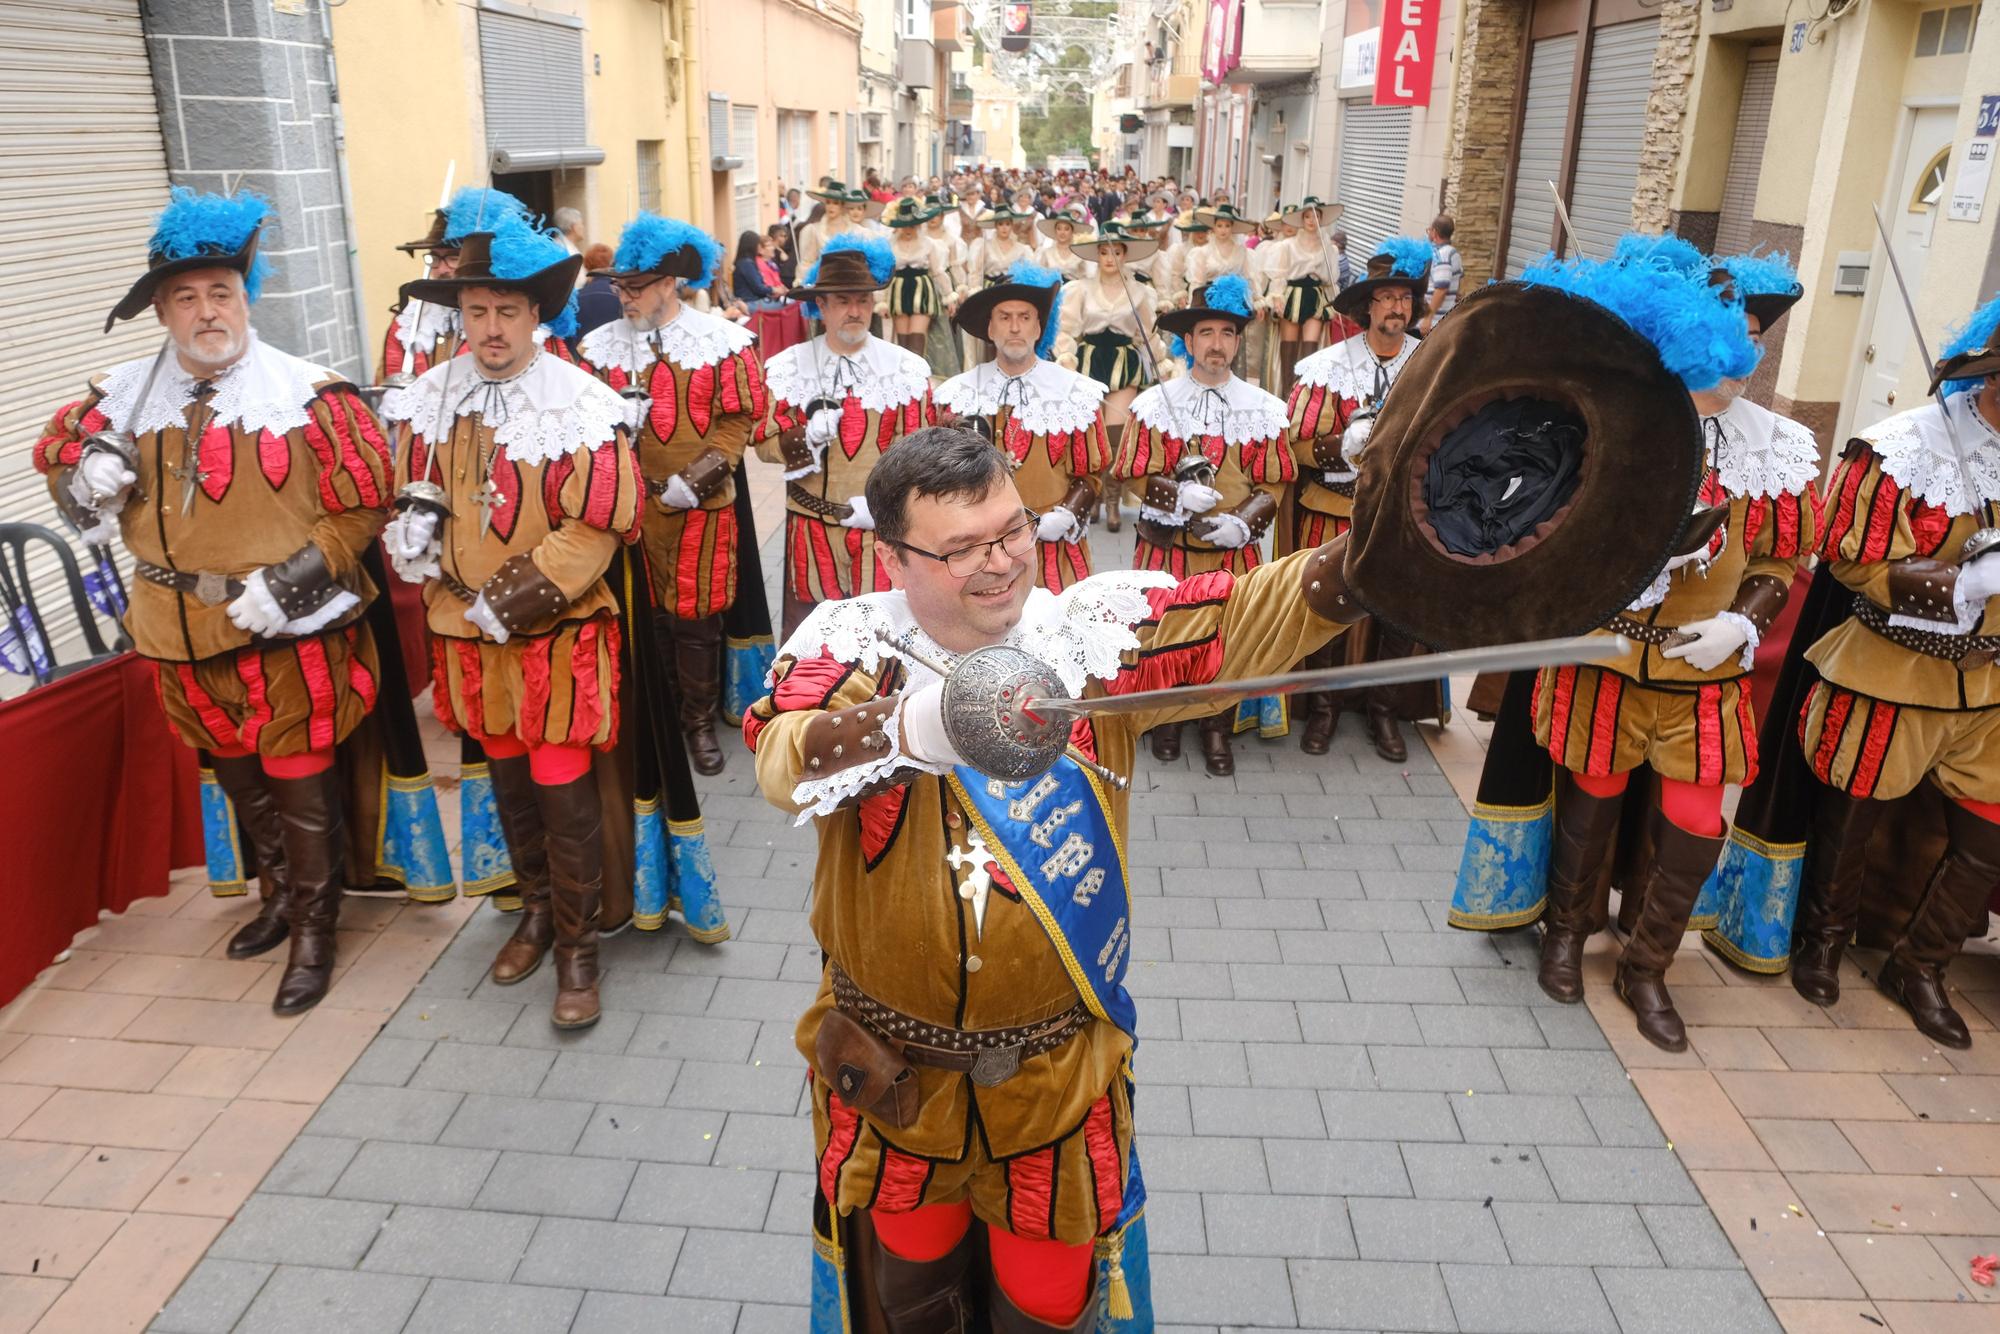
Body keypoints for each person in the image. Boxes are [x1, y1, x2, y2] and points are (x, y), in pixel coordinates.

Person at [744, 425, 1365, 1332]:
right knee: (910, 1302)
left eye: (1011, 531)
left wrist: (1380, 555)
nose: (998, 565)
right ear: (892, 555)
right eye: (960, 548)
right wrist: (923, 724)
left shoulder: (1086, 640)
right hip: (890, 1075)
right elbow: (781, 756)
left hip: (1054, 1078)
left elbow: (1245, 616)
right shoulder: (848, 647)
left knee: (1047, 1308)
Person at [38, 189, 408, 1015]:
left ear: (247, 297)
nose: (207, 313)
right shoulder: (124, 394)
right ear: (163, 310)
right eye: (186, 298)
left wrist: (289, 585)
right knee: (237, 771)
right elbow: (54, 451)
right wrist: (81, 473)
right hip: (175, 626)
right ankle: (278, 893)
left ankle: (317, 926)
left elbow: (364, 506)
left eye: (221, 294)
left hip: (287, 625)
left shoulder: (310, 395)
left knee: (298, 772)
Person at [1448, 237, 1818, 1054]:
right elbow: (1558, 530)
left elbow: (1778, 558)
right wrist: (1630, 572)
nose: (1743, 357)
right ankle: (1565, 935)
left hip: (1708, 667)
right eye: (1728, 340)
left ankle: (1650, 966)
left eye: (1752, 340)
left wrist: (1746, 617)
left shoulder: (1778, 447)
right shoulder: (1622, 425)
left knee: (1694, 819)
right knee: (1592, 797)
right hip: (1609, 657)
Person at [1701, 287, 2000, 1048]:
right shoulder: (1903, 445)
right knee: (1849, 813)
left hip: (1991, 685)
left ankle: (1921, 965)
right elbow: (1852, 556)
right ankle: (1823, 941)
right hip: (1889, 671)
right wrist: (1962, 581)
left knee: (1986, 839)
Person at [379, 216, 646, 1027]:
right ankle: (533, 911)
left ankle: (578, 950)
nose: (490, 329)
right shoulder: (432, 396)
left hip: (554, 636)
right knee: (506, 782)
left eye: (507, 311)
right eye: (477, 311)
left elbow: (598, 523)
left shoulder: (584, 403)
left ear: (538, 316)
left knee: (562, 791)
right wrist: (412, 534)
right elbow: (413, 485)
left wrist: (515, 596)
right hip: (464, 633)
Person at [579, 213, 766, 775]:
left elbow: (740, 419)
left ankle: (698, 721)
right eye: (619, 285)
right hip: (629, 511)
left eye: (634, 286)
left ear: (668, 283)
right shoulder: (596, 349)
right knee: (646, 615)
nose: (624, 296)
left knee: (696, 619)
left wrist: (698, 478)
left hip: (699, 508)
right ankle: (660, 713)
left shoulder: (722, 342)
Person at [1114, 276, 1291, 777]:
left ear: (1239, 340)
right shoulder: (1154, 404)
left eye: (1228, 333)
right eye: (1206, 333)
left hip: (1234, 552)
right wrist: (1175, 494)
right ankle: (1166, 720)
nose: (1217, 344)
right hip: (1168, 547)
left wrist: (1245, 523)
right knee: (1169, 629)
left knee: (1226, 635)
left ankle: (1216, 724)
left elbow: (1274, 482)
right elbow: (1129, 473)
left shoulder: (1263, 409)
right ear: (1187, 342)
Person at [1282, 237, 1439, 762]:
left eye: (1406, 298)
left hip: (1406, 516)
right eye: (1388, 297)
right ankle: (1322, 709)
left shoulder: (1433, 362)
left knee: (1397, 614)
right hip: (1333, 510)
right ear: (1367, 307)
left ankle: (1384, 711)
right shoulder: (1327, 367)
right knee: (1330, 604)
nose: (1398, 307)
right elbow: (1297, 446)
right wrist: (1339, 447)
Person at [752, 235, 937, 637]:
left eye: (863, 301)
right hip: (809, 530)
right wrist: (806, 438)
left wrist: (886, 506)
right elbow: (763, 443)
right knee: (813, 643)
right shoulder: (788, 367)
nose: (855, 311)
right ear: (821, 306)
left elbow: (924, 456)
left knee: (884, 639)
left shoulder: (906, 369)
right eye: (843, 301)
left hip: (881, 534)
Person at [937, 260, 1109, 590]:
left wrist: (1069, 514)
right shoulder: (955, 395)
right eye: (1005, 317)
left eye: (1024, 317)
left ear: (1038, 328)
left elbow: (1091, 473)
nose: (1015, 327)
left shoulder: (1076, 392)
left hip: (1053, 550)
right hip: (977, 553)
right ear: (990, 329)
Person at [1053, 223, 1174, 535]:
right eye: (1104, 251)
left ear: (1125, 255)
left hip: (1123, 360)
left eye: (1116, 251)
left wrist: (1163, 363)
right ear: (1096, 255)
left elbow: (1147, 335)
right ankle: (1091, 496)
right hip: (1090, 360)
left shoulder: (1139, 292)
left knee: (1116, 433)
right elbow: (1067, 329)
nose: (1109, 257)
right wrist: (1066, 356)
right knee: (1092, 431)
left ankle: (1111, 501)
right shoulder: (1078, 289)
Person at [378, 188, 529, 383]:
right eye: (434, 258)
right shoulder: (410, 321)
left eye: (452, 257)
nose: (441, 269)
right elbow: (391, 380)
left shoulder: (523, 319)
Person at [1257, 197, 1343, 396]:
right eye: (1307, 216)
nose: (1312, 220)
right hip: (1292, 296)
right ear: (1302, 220)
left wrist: (1335, 303)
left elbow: (1331, 280)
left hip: (1316, 296)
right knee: (1289, 347)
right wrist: (1276, 297)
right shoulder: (1287, 246)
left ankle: (1305, 395)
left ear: (1321, 219)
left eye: (1316, 216)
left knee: (1311, 348)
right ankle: (1287, 393)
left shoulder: (1329, 247)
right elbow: (1279, 274)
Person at [880, 197, 952, 358]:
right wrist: (881, 301)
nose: (908, 229)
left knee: (916, 341)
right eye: (904, 225)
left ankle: (920, 380)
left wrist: (949, 295)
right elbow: (885, 274)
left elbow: (938, 271)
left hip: (922, 292)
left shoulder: (928, 244)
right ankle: (905, 381)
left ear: (919, 224)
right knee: (903, 343)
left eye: (912, 225)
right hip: (898, 292)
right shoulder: (890, 244)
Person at [1422, 214, 1462, 333]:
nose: (1428, 233)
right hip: (1441, 319)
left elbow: (1441, 288)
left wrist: (1428, 318)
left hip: (1434, 323)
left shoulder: (1442, 255)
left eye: (1429, 230)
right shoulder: (1453, 253)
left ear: (1434, 232)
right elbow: (1459, 279)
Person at [733, 229, 787, 311]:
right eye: (757, 244)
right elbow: (758, 287)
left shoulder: (746, 262)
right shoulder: (746, 263)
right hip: (751, 302)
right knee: (786, 305)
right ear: (751, 245)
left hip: (754, 300)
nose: (759, 246)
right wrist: (775, 290)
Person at [575, 243, 622, 337]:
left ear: (586, 266)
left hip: (582, 349)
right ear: (611, 265)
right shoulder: (622, 295)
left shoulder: (575, 298)